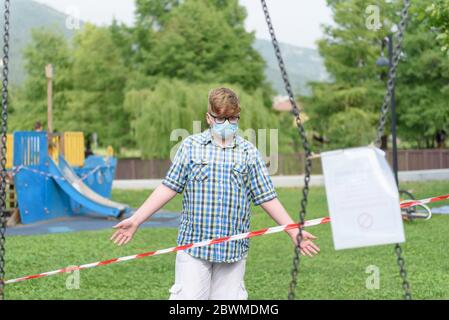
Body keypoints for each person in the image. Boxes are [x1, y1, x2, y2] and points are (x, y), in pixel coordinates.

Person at [110, 87, 320, 300]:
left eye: (232, 118)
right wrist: (136, 219)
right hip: (194, 247)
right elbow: (169, 187)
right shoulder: (190, 147)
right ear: (208, 117)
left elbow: (267, 197)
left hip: (233, 250)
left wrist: (294, 231)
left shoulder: (249, 152)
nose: (227, 124)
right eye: (220, 118)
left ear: (238, 116)